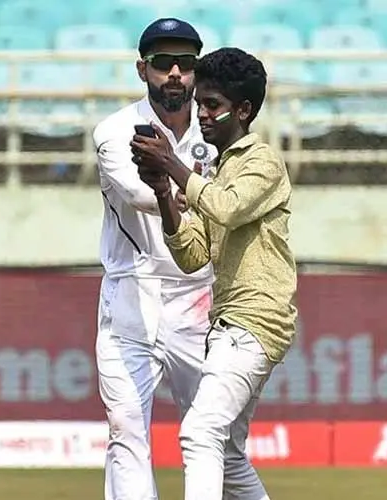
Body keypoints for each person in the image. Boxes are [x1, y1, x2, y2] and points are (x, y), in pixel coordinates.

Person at [93, 18, 269, 500]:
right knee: (126, 432)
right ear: (141, 69)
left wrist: (182, 177)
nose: (175, 73)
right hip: (131, 294)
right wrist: (208, 188)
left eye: (185, 64)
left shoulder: (216, 129)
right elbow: (139, 192)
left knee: (217, 442)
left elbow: (232, 195)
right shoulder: (114, 131)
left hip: (198, 299)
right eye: (162, 63)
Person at [133, 47, 297, 500]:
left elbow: (226, 208)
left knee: (199, 431)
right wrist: (165, 194)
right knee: (224, 451)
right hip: (229, 322)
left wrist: (173, 165)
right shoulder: (217, 169)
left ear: (243, 110)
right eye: (199, 101)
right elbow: (193, 254)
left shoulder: (261, 161)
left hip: (255, 319)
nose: (200, 113)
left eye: (212, 105)